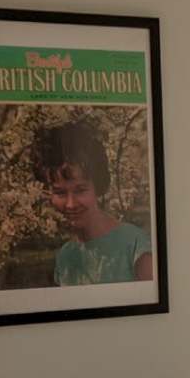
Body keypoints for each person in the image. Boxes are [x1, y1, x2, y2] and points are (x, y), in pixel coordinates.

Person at [34, 117, 154, 286]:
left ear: (98, 186)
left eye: (80, 190)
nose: (70, 204)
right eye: (60, 192)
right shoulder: (65, 257)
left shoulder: (135, 246)